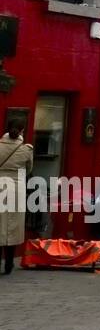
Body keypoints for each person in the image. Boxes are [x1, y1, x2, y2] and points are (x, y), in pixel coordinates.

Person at [0, 117, 34, 275]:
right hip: (16, 190)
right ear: (22, 131)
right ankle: (8, 264)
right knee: (13, 227)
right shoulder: (26, 149)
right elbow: (29, 169)